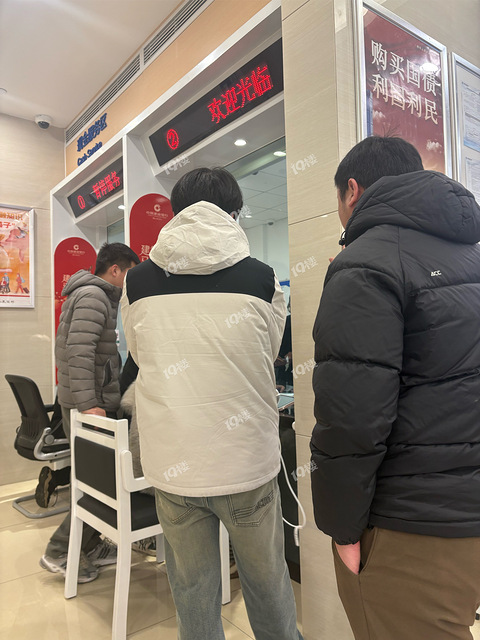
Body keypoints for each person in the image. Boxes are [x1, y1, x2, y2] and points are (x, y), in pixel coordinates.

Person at [310, 135, 480, 640]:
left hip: (413, 524)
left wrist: (342, 528)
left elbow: (352, 419)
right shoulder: (472, 255)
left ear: (352, 191)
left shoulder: (365, 263)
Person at [122, 167, 303, 640]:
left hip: (173, 465)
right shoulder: (262, 277)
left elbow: (140, 354)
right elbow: (269, 347)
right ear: (234, 214)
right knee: (268, 585)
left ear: (175, 214)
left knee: (192, 590)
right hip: (245, 463)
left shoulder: (137, 281)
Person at [40, 242, 139, 583]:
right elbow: (79, 353)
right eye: (129, 273)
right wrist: (88, 406)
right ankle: (60, 551)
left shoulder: (88, 295)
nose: (129, 281)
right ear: (116, 270)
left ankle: (89, 545)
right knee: (99, 483)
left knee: (95, 480)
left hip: (85, 401)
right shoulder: (94, 297)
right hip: (88, 405)